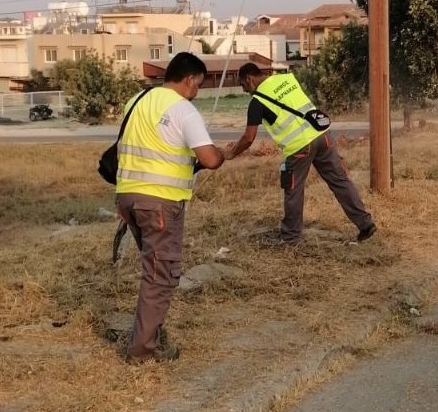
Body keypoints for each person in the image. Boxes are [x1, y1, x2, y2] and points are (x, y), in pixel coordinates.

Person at [116, 52, 225, 364]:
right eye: (198, 85)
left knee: (154, 271)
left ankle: (152, 335)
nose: (197, 92)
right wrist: (222, 155)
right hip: (160, 204)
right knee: (159, 276)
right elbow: (208, 158)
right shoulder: (183, 110)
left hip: (128, 198)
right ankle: (142, 350)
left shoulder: (136, 100)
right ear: (189, 79)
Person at [224, 63, 376, 246]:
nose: (245, 90)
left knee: (293, 191)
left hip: (299, 148)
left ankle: (290, 239)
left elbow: (249, 138)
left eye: (243, 86)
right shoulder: (286, 79)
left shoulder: (257, 101)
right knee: (340, 181)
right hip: (322, 135)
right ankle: (365, 224)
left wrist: (231, 153)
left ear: (249, 79)